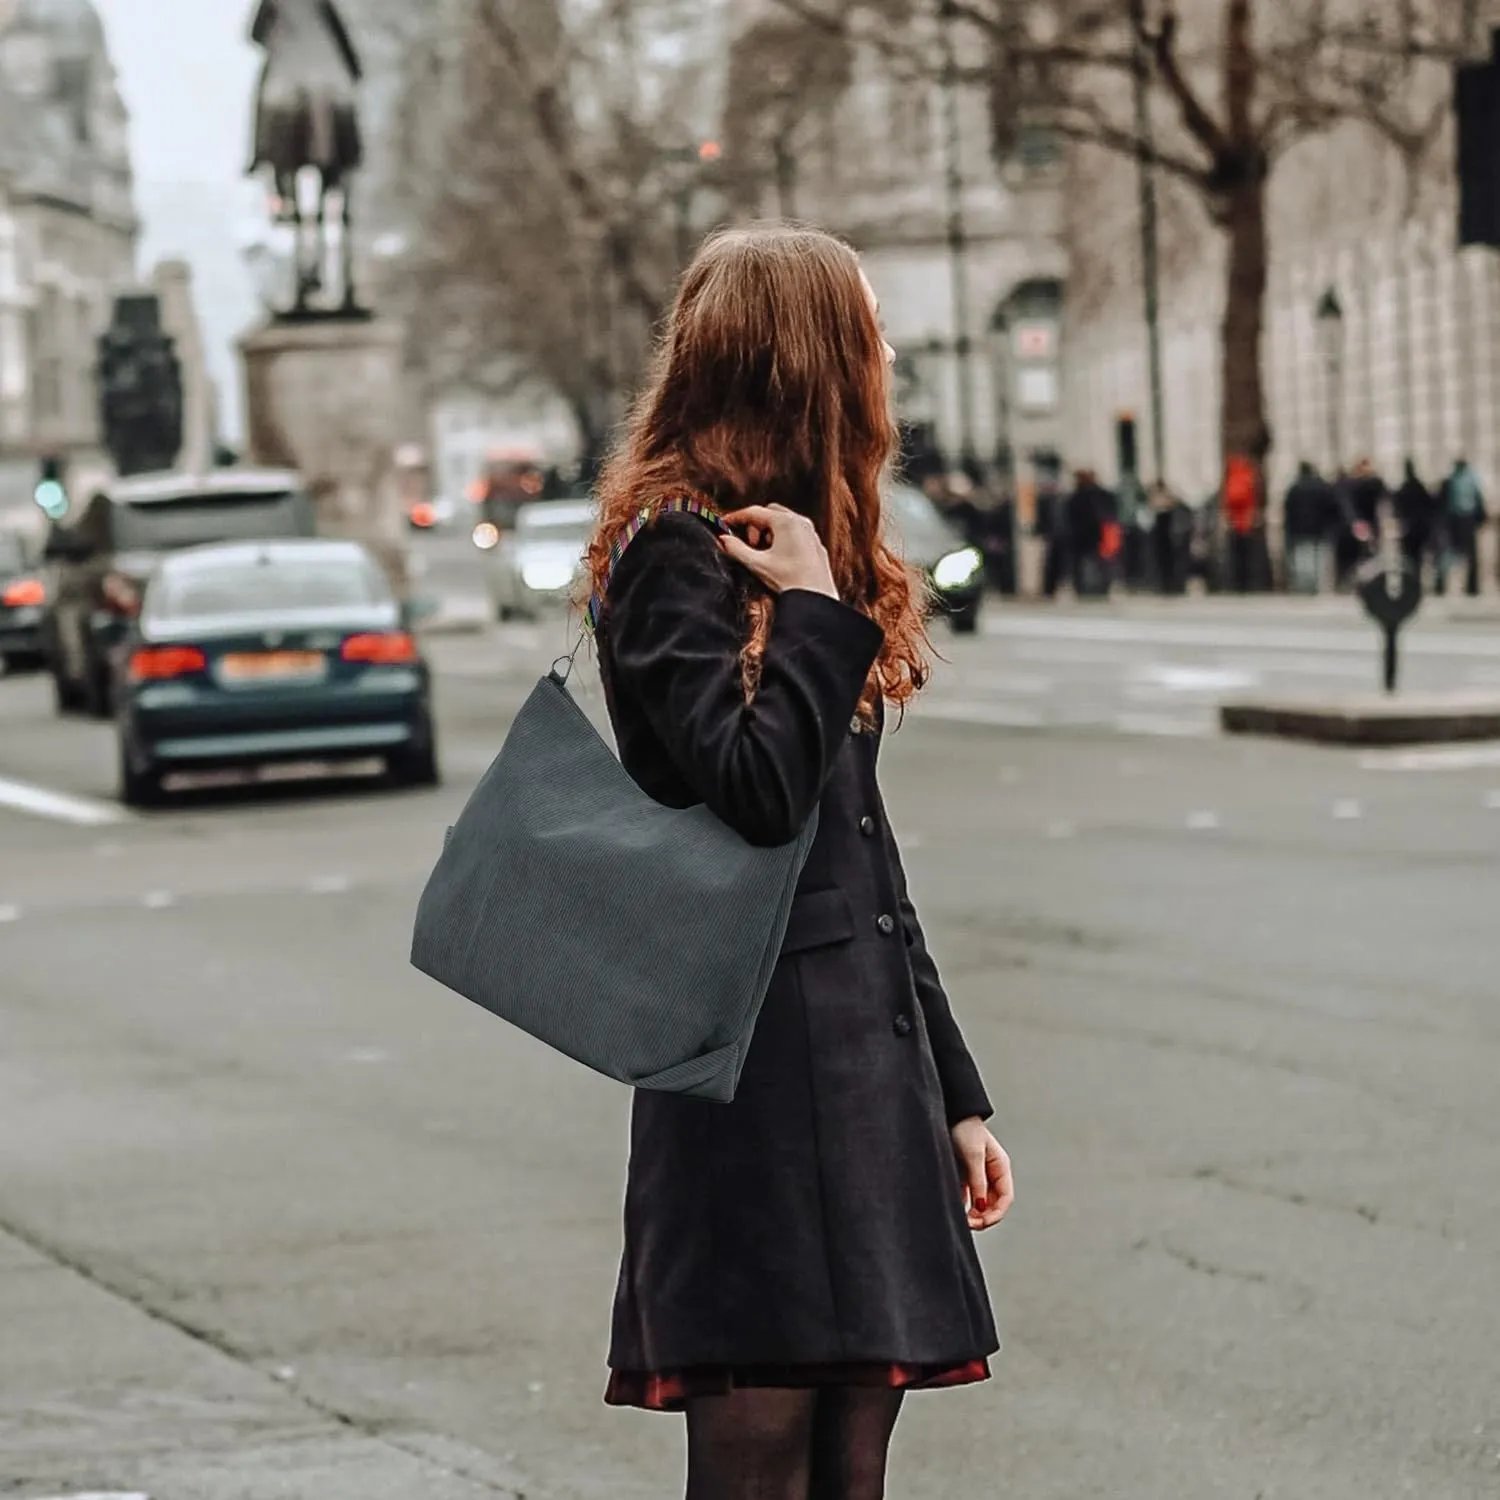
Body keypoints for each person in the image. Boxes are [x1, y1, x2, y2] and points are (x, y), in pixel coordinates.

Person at [583, 225, 1013, 1500]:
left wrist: (956, 1096)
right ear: (807, 355)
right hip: (753, 1093)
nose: (885, 351)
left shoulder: (805, 540)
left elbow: (863, 861)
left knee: (851, 1469)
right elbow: (760, 794)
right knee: (758, 1467)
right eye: (866, 327)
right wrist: (821, 610)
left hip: (861, 1085)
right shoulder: (675, 548)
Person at [1282, 461, 1336, 595]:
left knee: (1303, 557)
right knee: (1318, 557)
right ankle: (1316, 585)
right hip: (1320, 528)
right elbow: (1331, 507)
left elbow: (1288, 510)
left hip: (1300, 529)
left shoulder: (1294, 488)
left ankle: (1305, 585)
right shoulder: (1322, 487)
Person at [1439, 456, 1487, 598]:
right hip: (1465, 520)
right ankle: (1471, 586)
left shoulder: (1455, 479)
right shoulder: (1470, 479)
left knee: (1455, 552)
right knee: (1468, 554)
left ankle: (1462, 585)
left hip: (1459, 519)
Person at [1392, 459, 1436, 581]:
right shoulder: (1418, 487)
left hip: (1409, 529)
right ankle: (1414, 580)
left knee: (1409, 557)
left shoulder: (1405, 488)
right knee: (1416, 557)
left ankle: (1410, 580)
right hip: (1418, 528)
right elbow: (1430, 505)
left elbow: (1397, 508)